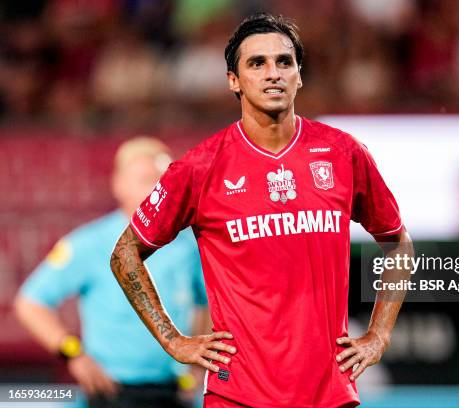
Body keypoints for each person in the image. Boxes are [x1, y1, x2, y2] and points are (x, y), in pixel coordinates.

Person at [110, 13, 412, 408]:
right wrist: (173, 339)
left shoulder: (343, 154)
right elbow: (125, 254)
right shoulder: (200, 167)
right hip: (237, 395)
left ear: (299, 76)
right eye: (257, 63)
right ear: (233, 80)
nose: (273, 73)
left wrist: (379, 336)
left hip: (329, 395)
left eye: (283, 62)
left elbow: (398, 244)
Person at [14, 137, 211, 408]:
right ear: (118, 185)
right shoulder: (90, 243)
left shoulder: (189, 246)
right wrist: (73, 353)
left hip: (175, 393)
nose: (156, 189)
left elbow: (205, 304)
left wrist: (198, 366)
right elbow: (31, 302)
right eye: (144, 179)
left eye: (162, 180)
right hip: (113, 392)